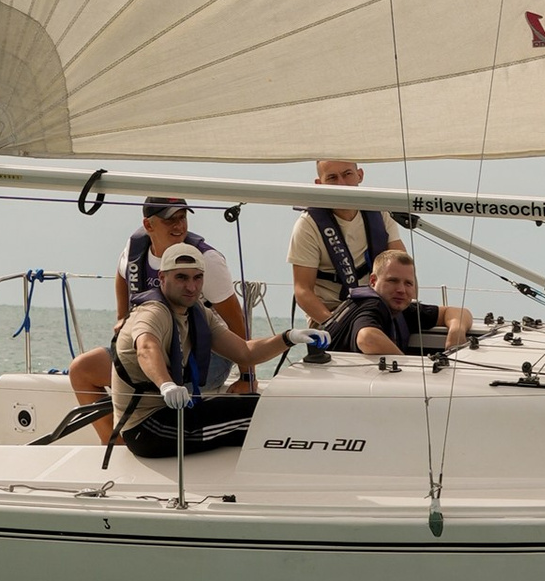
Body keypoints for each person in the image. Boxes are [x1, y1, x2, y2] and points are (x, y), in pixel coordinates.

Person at [59, 196, 248, 443]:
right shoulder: (135, 249)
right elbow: (121, 274)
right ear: (148, 226)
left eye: (182, 218)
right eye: (170, 220)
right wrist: (122, 317)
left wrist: (247, 377)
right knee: (82, 369)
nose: (179, 226)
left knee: (146, 378)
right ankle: (115, 443)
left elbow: (235, 319)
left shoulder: (205, 260)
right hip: (152, 350)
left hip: (201, 360)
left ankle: (145, 434)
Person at [107, 243, 290, 459]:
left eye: (197, 278)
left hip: (176, 414)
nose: (192, 287)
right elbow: (146, 348)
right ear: (162, 278)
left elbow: (245, 352)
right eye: (182, 278)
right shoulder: (152, 312)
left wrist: (289, 338)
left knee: (261, 405)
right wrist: (166, 384)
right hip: (147, 428)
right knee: (261, 417)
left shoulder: (197, 312)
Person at [289, 160, 402, 328]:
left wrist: (405, 307)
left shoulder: (380, 213)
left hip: (378, 309)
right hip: (332, 313)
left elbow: (403, 265)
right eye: (332, 178)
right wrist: (335, 326)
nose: (341, 184)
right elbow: (302, 291)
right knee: (368, 337)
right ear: (320, 184)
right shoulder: (308, 225)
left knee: (449, 316)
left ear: (360, 175)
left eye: (347, 174)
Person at [334, 246, 473, 362]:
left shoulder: (399, 309)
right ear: (373, 281)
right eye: (393, 281)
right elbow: (367, 338)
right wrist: (409, 366)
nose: (401, 290)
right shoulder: (371, 305)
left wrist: (456, 332)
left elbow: (458, 312)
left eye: (408, 283)